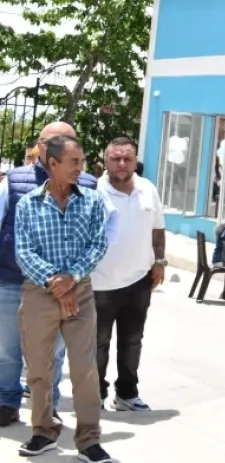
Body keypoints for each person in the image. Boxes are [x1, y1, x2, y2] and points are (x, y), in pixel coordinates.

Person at [0, 121, 115, 429]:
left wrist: (72, 277)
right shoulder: (14, 182)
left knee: (55, 354)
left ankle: (46, 409)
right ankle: (7, 401)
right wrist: (52, 278)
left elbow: (105, 235)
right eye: (49, 141)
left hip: (71, 289)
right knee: (8, 350)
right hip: (12, 281)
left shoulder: (89, 187)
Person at [93, 136, 166, 412]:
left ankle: (126, 393)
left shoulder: (148, 189)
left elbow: (157, 229)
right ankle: (95, 395)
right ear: (106, 160)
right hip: (100, 283)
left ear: (135, 160)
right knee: (98, 344)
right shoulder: (93, 191)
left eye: (127, 158)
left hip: (139, 281)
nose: (122, 163)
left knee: (132, 340)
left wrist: (159, 260)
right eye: (115, 158)